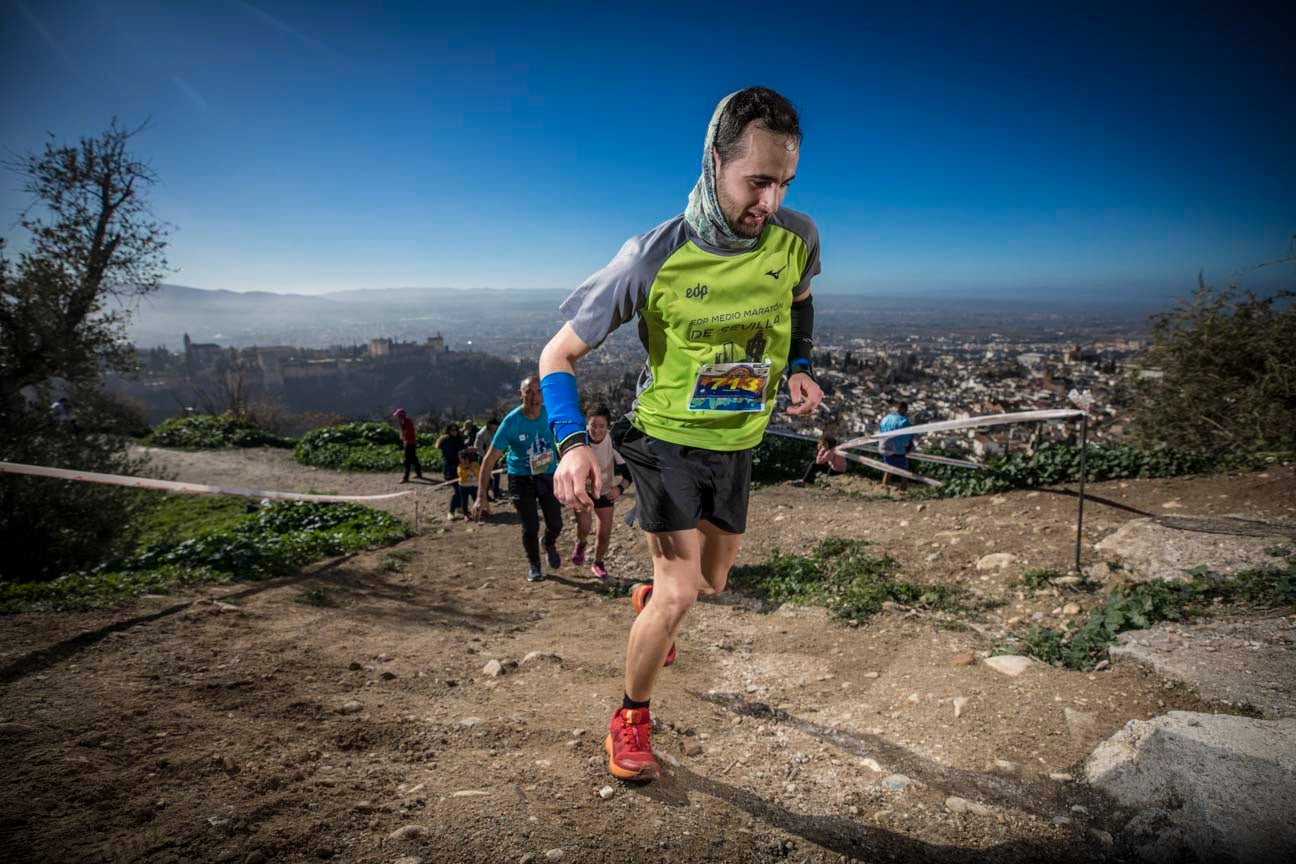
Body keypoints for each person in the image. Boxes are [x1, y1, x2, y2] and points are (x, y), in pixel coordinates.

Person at [537, 87, 822, 782]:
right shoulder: (650, 257)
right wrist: (573, 444)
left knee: (715, 581)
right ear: (713, 163)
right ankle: (630, 716)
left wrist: (800, 367)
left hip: (737, 441)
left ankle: (652, 604)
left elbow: (801, 301)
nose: (771, 202)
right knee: (681, 591)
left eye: (784, 182)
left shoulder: (799, 238)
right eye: (757, 181)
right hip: (664, 438)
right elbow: (556, 356)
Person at [473, 377, 564, 582]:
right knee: (530, 525)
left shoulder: (552, 412)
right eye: (529, 392)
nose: (534, 397)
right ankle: (534, 564)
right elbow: (488, 461)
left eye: (538, 391)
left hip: (547, 475)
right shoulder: (511, 422)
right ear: (520, 394)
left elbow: (567, 438)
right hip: (521, 478)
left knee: (556, 523)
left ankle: (548, 542)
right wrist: (481, 497)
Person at [571, 405, 633, 581]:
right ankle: (581, 542)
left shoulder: (613, 442)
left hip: (605, 491)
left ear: (608, 427)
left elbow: (629, 473)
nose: (597, 430)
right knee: (585, 525)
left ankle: (598, 563)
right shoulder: (578, 440)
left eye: (601, 426)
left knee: (604, 534)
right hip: (583, 490)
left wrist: (620, 488)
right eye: (593, 425)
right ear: (586, 424)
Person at [878, 401, 914, 492]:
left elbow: (881, 430)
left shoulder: (885, 418)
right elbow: (908, 437)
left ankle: (884, 488)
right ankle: (903, 491)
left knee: (887, 469)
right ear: (903, 409)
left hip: (884, 447)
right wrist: (909, 446)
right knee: (903, 472)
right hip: (898, 449)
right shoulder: (904, 421)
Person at [435, 423, 467, 519]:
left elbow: (463, 451)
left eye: (456, 430)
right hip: (450, 469)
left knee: (462, 489)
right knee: (458, 491)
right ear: (448, 431)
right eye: (452, 430)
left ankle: (459, 507)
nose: (454, 432)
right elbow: (450, 455)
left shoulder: (459, 440)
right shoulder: (445, 441)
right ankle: (451, 512)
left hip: (460, 468)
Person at [474, 418, 502, 501]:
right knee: (486, 478)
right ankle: (485, 496)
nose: (495, 428)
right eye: (494, 426)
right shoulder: (481, 433)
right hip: (484, 457)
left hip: (495, 456)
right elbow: (477, 447)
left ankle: (496, 493)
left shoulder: (496, 431)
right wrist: (485, 457)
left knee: (496, 476)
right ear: (489, 425)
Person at [393, 408, 423, 483]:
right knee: (414, 459)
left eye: (398, 416)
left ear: (401, 416)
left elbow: (408, 434)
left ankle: (406, 477)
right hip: (409, 443)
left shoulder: (407, 422)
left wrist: (403, 436)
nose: (397, 418)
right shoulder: (403, 422)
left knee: (407, 461)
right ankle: (419, 474)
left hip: (410, 443)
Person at [457, 447, 481, 520]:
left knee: (475, 499)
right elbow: (461, 476)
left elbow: (479, 473)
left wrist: (473, 469)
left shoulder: (475, 464)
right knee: (464, 501)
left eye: (465, 459)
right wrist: (467, 470)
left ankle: (477, 512)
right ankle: (466, 514)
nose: (464, 461)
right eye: (462, 459)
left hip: (474, 486)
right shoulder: (460, 467)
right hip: (463, 486)